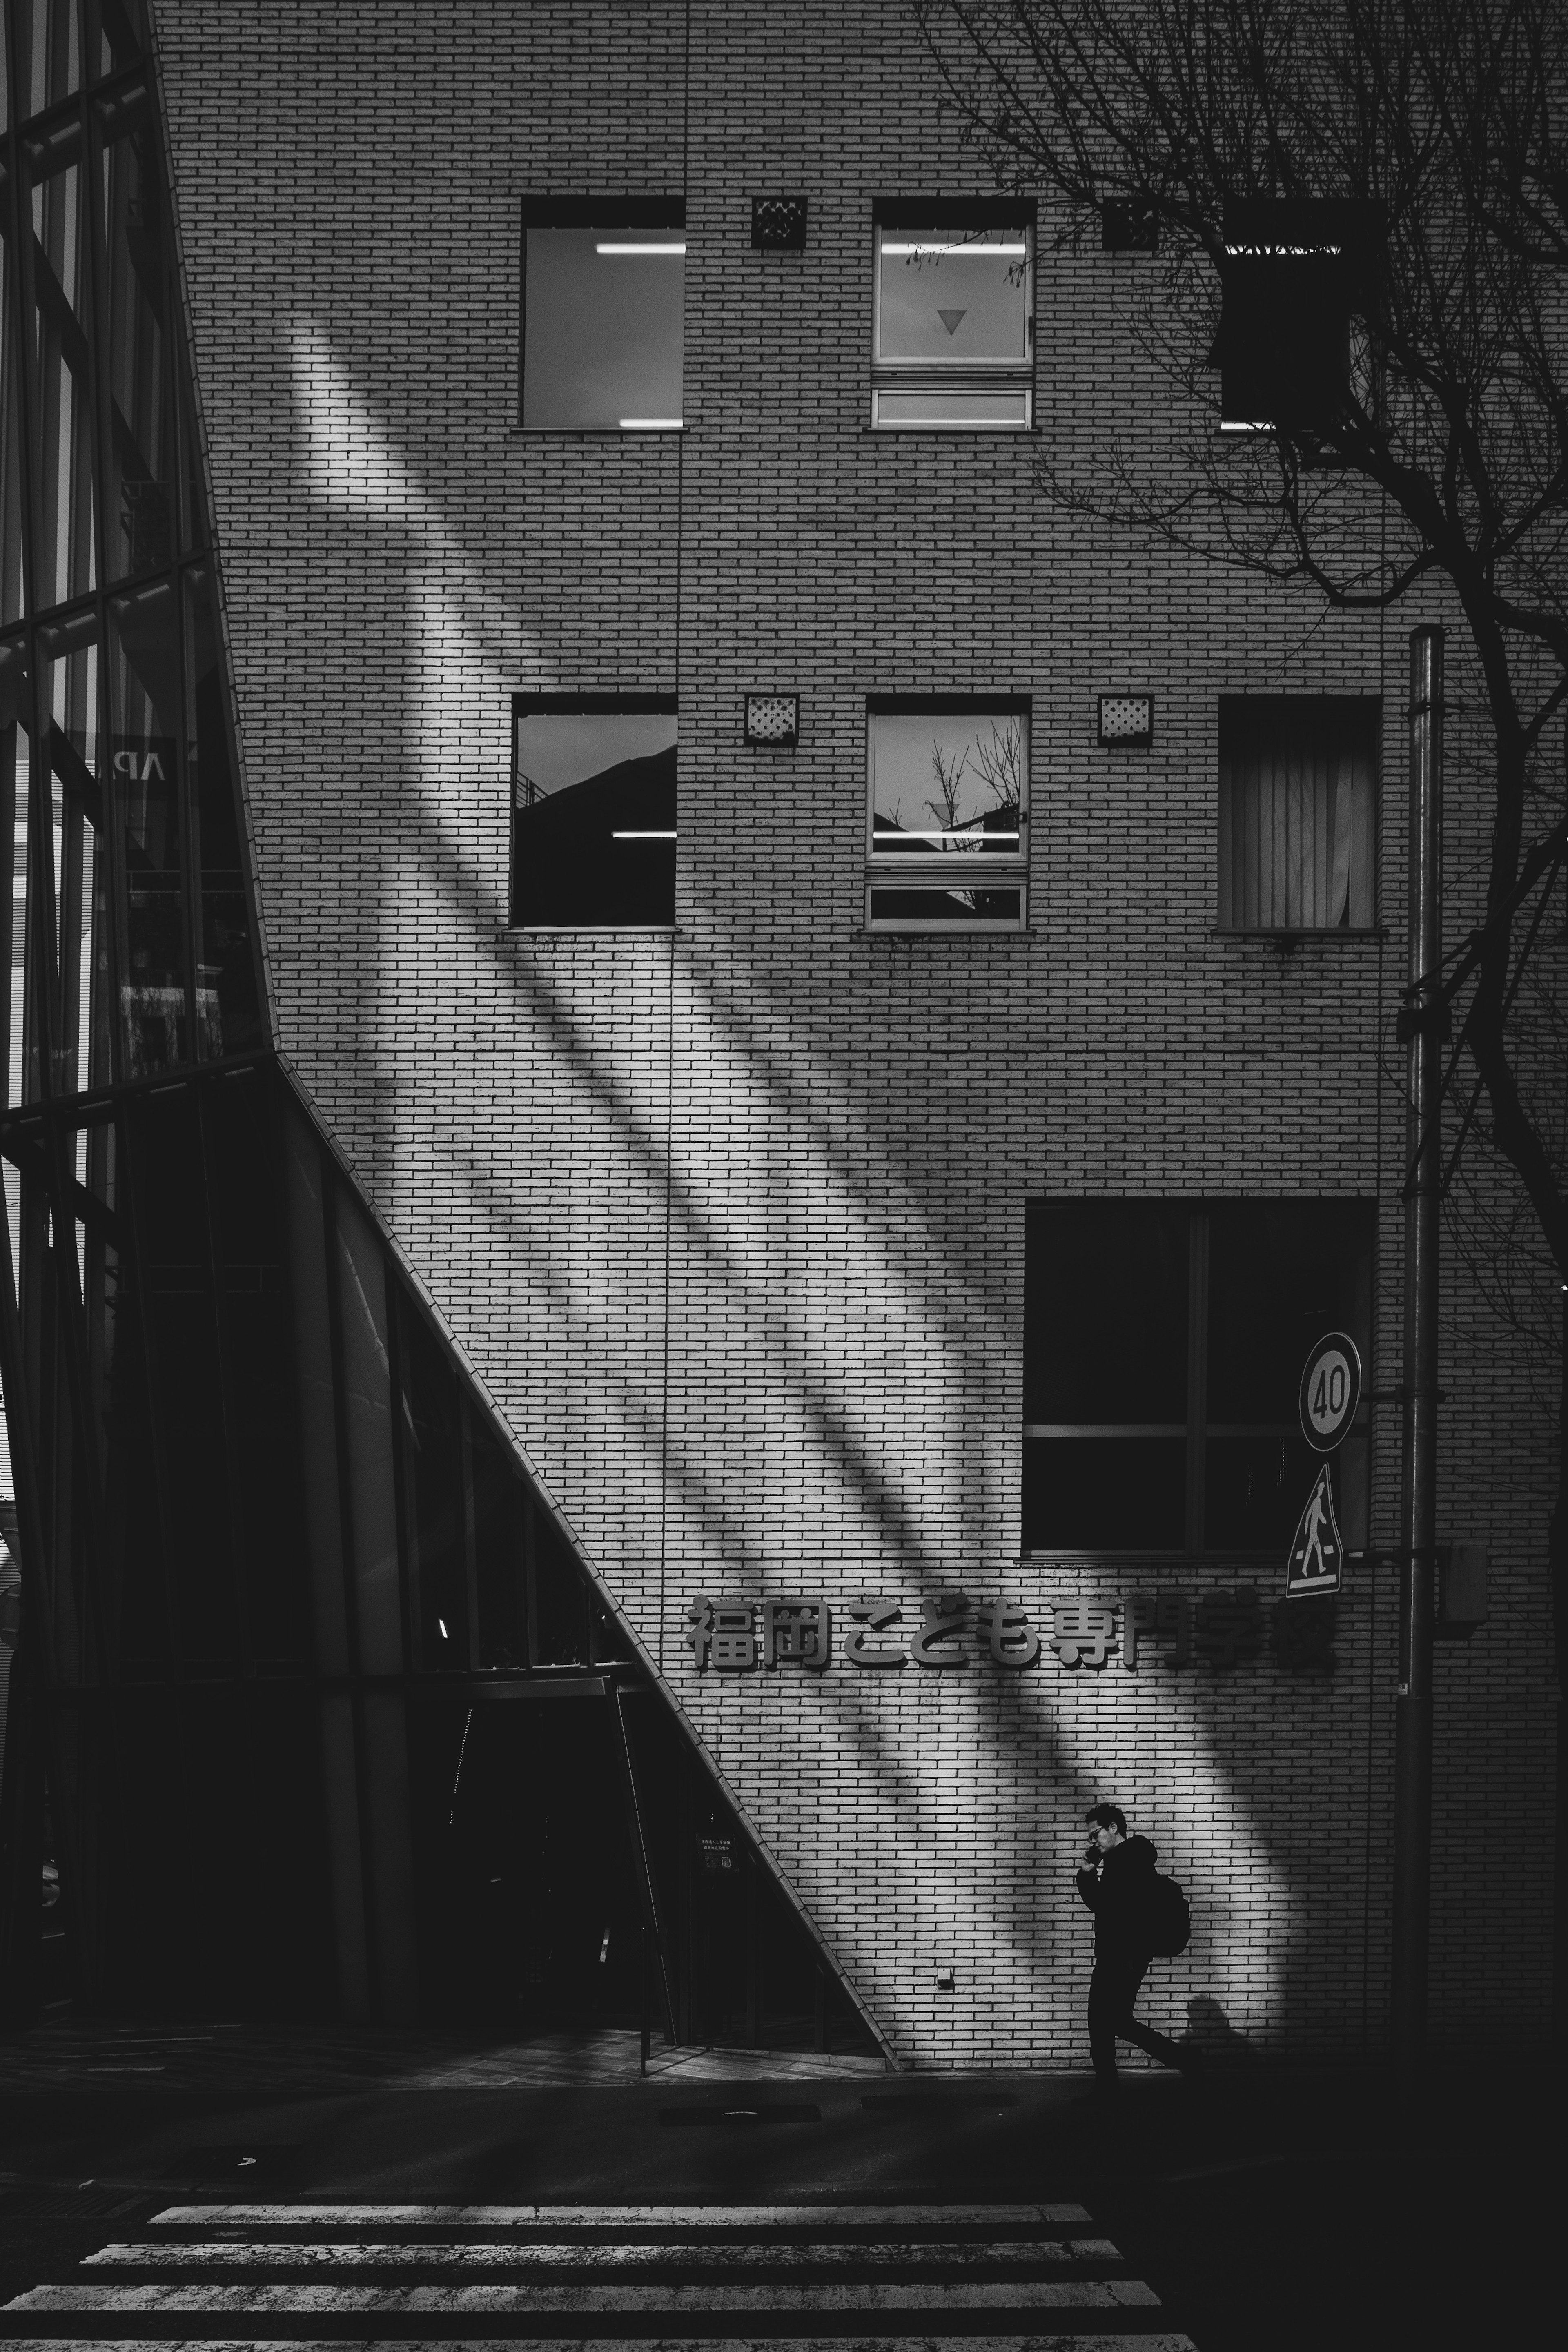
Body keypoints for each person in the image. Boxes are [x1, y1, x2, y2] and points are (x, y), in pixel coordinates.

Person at [1075, 1801, 1195, 2094]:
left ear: (1114, 1828)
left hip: (1121, 1956)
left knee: (1103, 2021)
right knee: (1116, 2021)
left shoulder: (1125, 1862)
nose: (1093, 1840)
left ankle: (1109, 2088)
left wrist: (1087, 1874)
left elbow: (1103, 1906)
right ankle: (1184, 2060)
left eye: (1096, 1834)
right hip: (1126, 1955)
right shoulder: (1131, 1859)